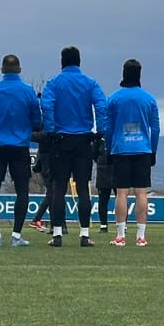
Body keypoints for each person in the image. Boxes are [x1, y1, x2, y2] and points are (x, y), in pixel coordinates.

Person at [39, 46, 108, 248]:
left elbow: (47, 105)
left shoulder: (54, 83)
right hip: (83, 140)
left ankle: (58, 234)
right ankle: (84, 234)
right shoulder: (89, 83)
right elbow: (101, 106)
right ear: (79, 61)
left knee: (58, 187)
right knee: (83, 188)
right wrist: (100, 130)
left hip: (60, 140)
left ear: (62, 62)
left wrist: (51, 129)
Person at [0, 54, 40, 247]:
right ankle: (16, 234)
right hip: (20, 147)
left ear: (2, 69)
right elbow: (37, 121)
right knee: (22, 190)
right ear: (19, 69)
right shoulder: (28, 92)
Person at [105, 59, 160, 247]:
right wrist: (153, 150)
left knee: (121, 193)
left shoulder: (113, 98)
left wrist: (108, 148)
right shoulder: (149, 99)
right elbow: (156, 128)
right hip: (143, 149)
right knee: (141, 193)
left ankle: (120, 236)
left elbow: (107, 128)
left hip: (121, 149)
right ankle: (141, 236)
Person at [93, 136, 113, 232]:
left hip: (116, 170)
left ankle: (122, 225)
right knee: (103, 200)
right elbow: (94, 154)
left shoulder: (116, 132)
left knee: (121, 196)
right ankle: (103, 225)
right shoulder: (99, 137)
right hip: (102, 172)